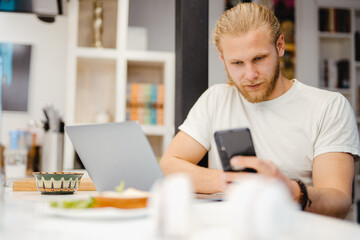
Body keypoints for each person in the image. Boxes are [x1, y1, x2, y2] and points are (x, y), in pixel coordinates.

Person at [160, 2, 360, 219]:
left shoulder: (329, 107)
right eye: (237, 63)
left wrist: (290, 190)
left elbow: (338, 201)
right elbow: (169, 165)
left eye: (259, 59)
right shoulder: (215, 99)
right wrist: (235, 182)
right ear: (222, 59)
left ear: (280, 45)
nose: (250, 74)